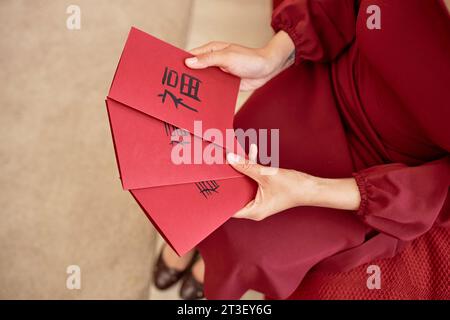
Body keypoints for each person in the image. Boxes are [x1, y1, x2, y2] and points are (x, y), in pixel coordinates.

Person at [153, 0, 450, 300]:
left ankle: (215, 267)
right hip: (325, 84)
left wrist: (309, 189)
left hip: (382, 175)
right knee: (212, 166)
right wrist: (271, 57)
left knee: (253, 248)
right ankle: (187, 241)